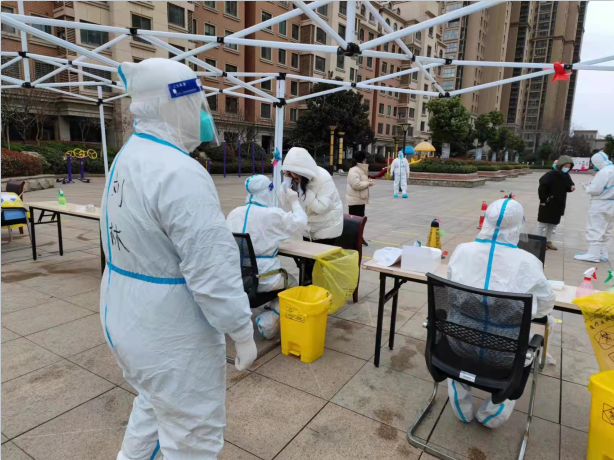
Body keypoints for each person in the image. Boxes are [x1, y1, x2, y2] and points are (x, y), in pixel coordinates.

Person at [100, 58, 256, 460]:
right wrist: (241, 330)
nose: (201, 114)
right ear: (172, 104)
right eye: (195, 103)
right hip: (170, 331)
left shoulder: (129, 155)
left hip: (125, 315)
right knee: (192, 436)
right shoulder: (179, 171)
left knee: (153, 407)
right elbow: (212, 269)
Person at [446, 198, 555, 428]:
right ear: (519, 226)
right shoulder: (529, 262)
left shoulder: (462, 250)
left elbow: (451, 287)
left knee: (463, 332)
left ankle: (460, 400)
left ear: (486, 220)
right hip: (506, 352)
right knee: (524, 346)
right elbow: (545, 305)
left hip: (458, 342)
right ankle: (492, 415)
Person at [227, 175, 307, 294]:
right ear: (267, 192)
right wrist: (294, 201)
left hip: (236, 276)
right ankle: (278, 306)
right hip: (265, 277)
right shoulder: (272, 214)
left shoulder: (234, 213)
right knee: (293, 283)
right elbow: (300, 223)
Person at [280, 147, 344, 243]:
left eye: (296, 176)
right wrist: (286, 183)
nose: (295, 178)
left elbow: (321, 208)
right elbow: (285, 203)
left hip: (326, 229)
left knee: (321, 252)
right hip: (308, 228)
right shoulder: (295, 179)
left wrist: (303, 191)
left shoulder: (324, 178)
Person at [575, 151, 614, 262]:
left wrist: (588, 189)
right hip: (612, 203)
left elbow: (596, 190)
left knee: (595, 228)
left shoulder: (604, 172)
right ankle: (603, 253)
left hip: (601, 203)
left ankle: (593, 254)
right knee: (607, 229)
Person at [537, 155, 575, 250]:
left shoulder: (566, 175)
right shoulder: (550, 174)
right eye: (565, 166)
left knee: (552, 224)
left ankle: (548, 241)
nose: (567, 168)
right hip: (548, 202)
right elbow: (542, 187)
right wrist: (543, 200)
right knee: (542, 223)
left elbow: (568, 186)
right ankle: (538, 242)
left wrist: (571, 187)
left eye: (569, 166)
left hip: (558, 203)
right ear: (560, 165)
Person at [346, 151, 373, 246]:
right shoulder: (354, 170)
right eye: (365, 158)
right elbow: (356, 184)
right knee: (354, 222)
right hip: (354, 200)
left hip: (361, 199)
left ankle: (359, 238)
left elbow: (361, 181)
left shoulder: (361, 169)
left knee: (361, 221)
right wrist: (368, 183)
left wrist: (367, 181)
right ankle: (352, 241)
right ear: (363, 159)